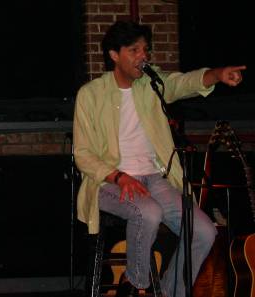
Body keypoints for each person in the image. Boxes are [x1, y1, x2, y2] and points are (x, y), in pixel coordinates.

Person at [73, 20, 245, 297]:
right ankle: (136, 285)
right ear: (114, 55)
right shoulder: (91, 95)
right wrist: (119, 176)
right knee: (148, 211)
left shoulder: (151, 85)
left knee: (203, 232)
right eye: (134, 50)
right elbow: (82, 154)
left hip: (155, 178)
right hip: (108, 182)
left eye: (145, 50)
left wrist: (217, 74)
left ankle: (170, 293)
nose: (143, 56)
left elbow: (184, 82)